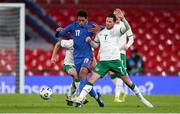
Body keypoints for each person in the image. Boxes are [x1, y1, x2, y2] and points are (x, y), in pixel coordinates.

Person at [72, 11, 154, 108]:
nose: (108, 23)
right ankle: (80, 99)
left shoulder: (117, 30)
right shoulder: (100, 33)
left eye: (110, 22)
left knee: (128, 82)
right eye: (107, 21)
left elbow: (127, 28)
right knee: (91, 80)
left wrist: (123, 18)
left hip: (115, 61)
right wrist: (90, 41)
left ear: (114, 22)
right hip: (103, 63)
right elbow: (96, 45)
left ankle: (143, 99)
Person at [55, 10, 104, 107]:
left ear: (86, 19)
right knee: (83, 80)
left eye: (82, 20)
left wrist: (101, 28)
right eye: (79, 20)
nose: (80, 22)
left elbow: (104, 30)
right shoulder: (73, 26)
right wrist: (57, 32)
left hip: (87, 55)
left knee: (82, 72)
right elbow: (60, 34)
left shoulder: (91, 26)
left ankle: (80, 101)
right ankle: (97, 97)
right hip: (77, 58)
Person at [109, 8, 135, 103]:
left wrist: (127, 46)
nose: (117, 16)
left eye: (118, 14)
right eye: (115, 15)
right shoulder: (110, 26)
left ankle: (117, 97)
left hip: (121, 53)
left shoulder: (125, 25)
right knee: (112, 75)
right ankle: (123, 92)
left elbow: (131, 38)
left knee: (120, 74)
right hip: (110, 53)